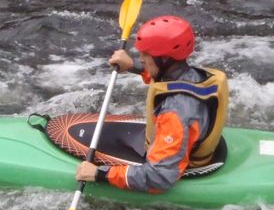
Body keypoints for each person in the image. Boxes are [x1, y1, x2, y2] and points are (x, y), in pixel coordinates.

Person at [75, 15, 229, 193]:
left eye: (145, 54)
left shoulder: (175, 114)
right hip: (191, 145)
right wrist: (132, 66)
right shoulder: (195, 76)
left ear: (164, 59)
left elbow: (159, 177)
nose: (141, 58)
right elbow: (168, 84)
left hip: (175, 166)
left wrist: (100, 174)